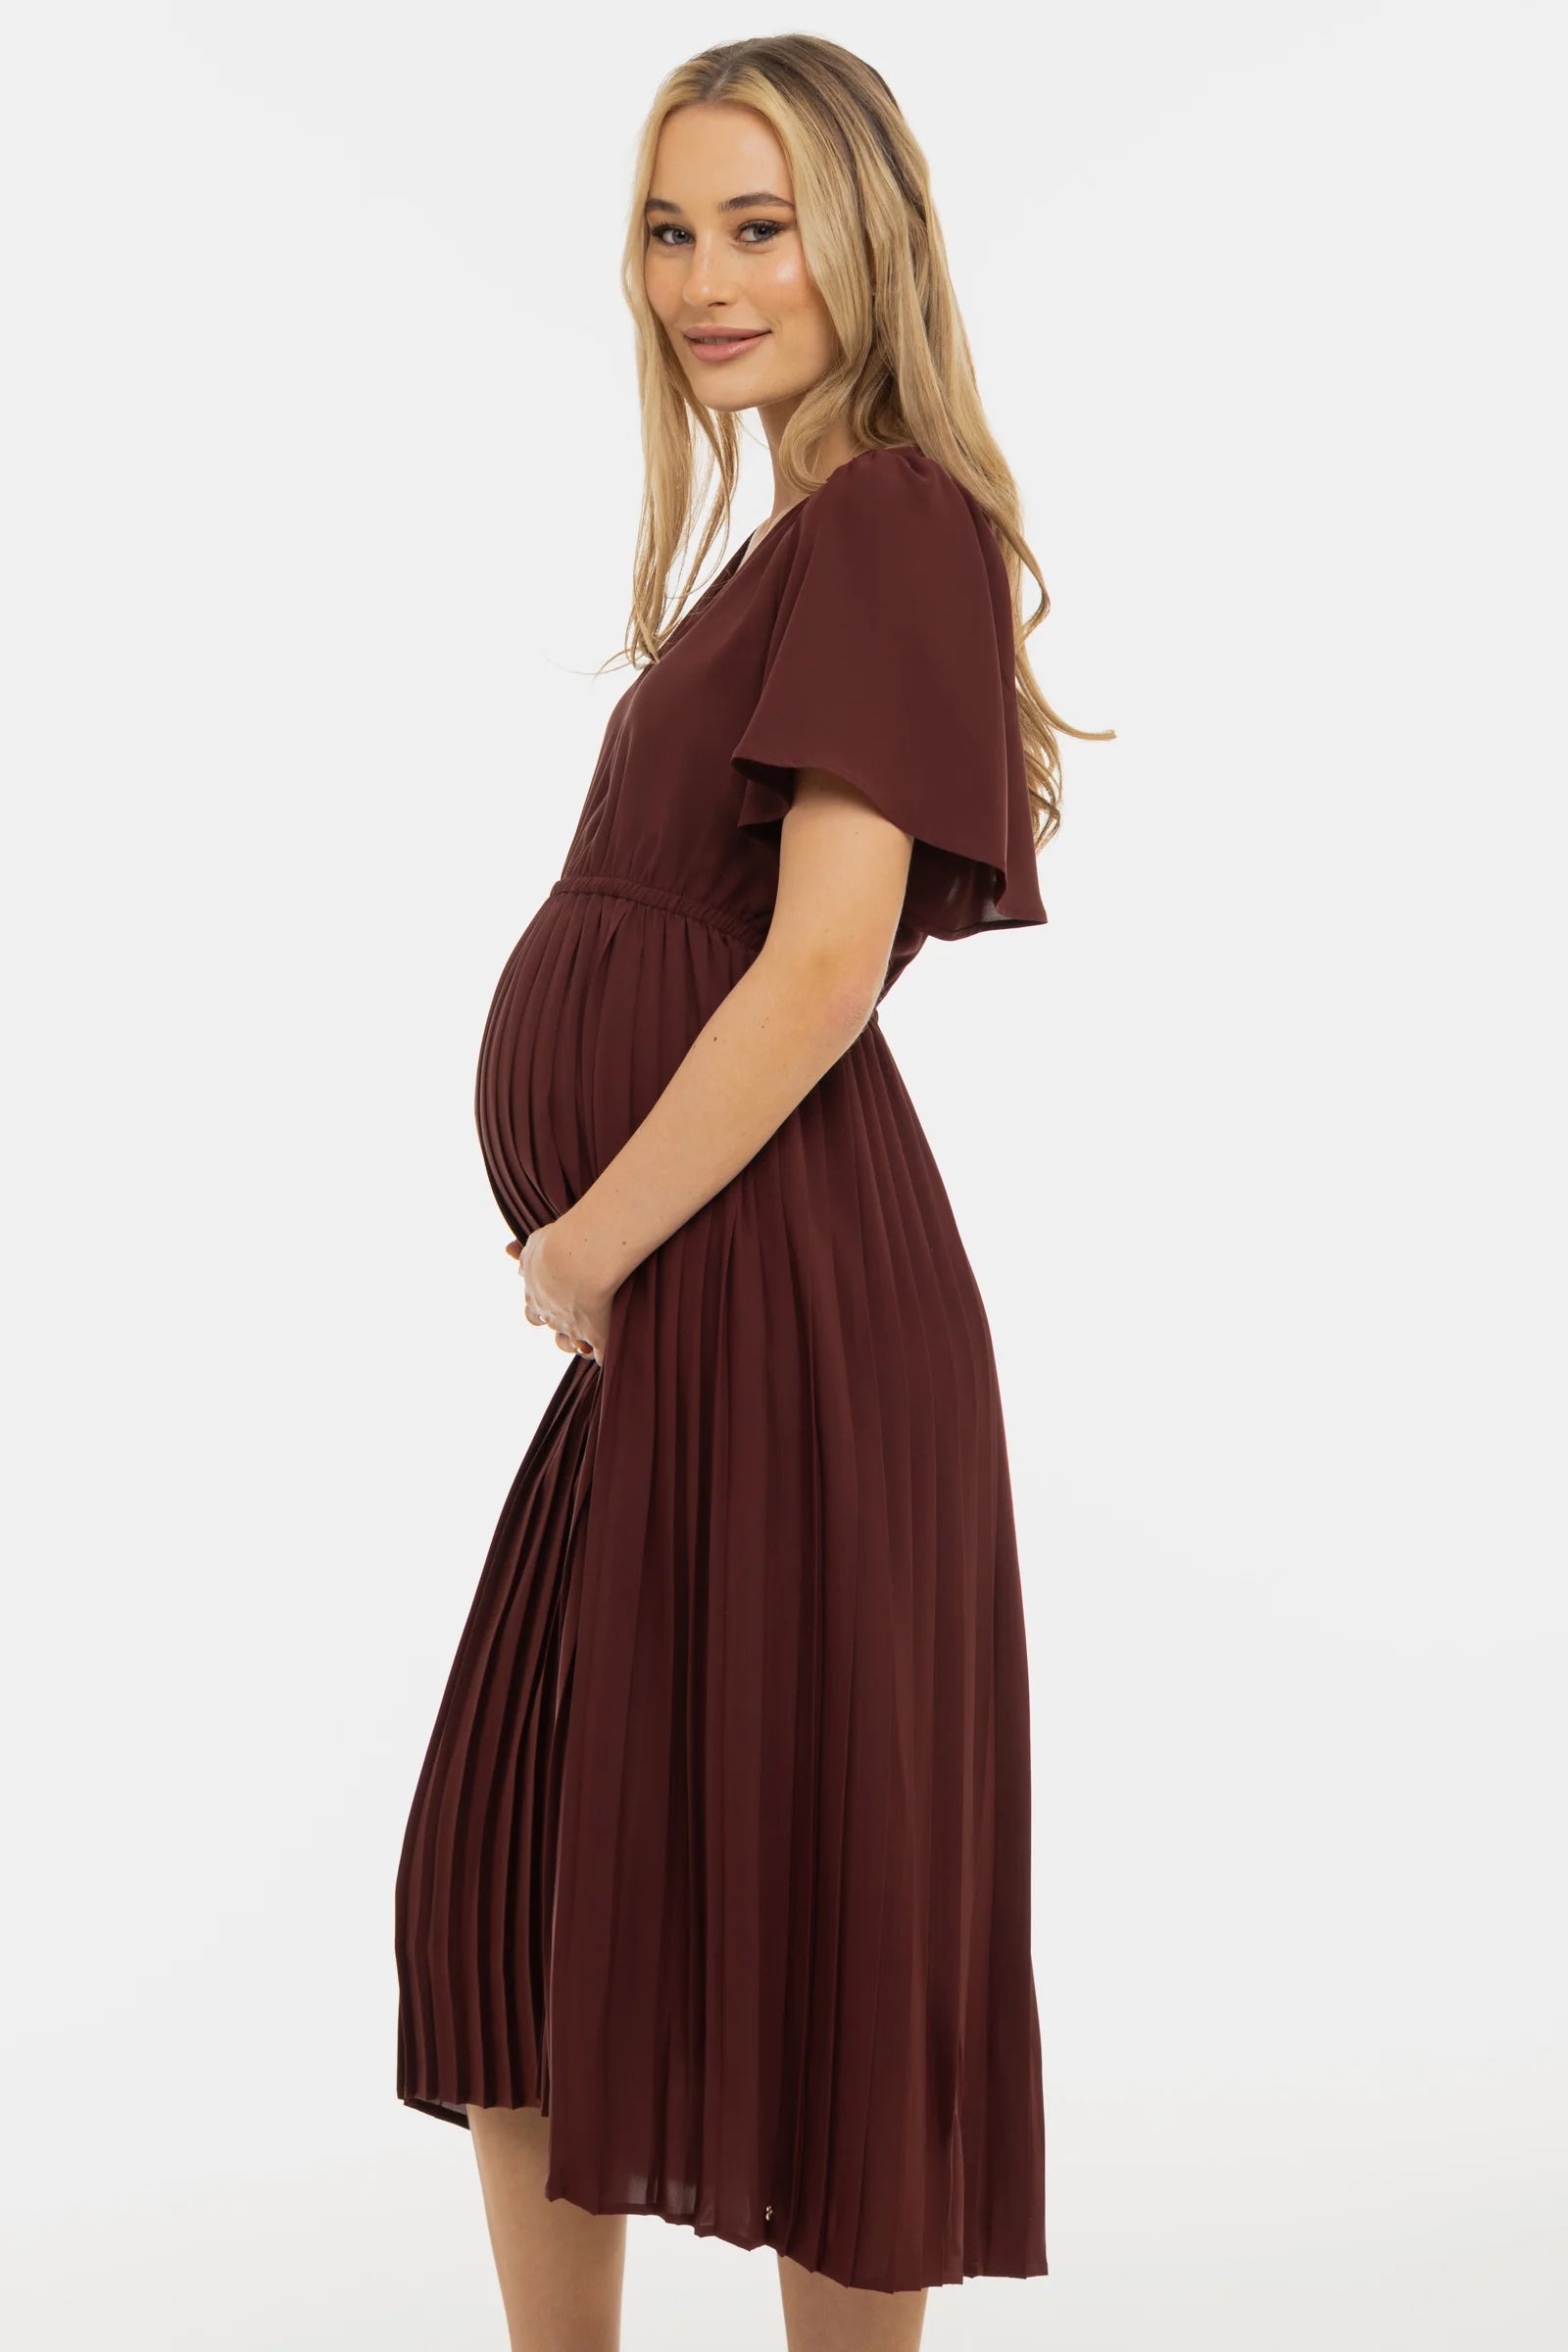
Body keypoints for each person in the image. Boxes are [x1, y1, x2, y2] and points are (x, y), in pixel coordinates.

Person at [394, 33, 1110, 2352]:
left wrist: (590, 1234)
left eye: (759, 227)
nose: (705, 281)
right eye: (668, 230)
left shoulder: (889, 518)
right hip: (710, 1307)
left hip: (769, 1298)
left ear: (864, 242)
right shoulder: (801, 538)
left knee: (808, 1919)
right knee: (515, 1893)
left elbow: (817, 962)